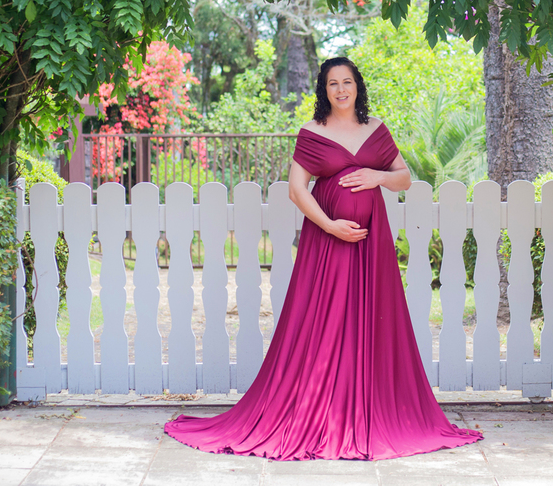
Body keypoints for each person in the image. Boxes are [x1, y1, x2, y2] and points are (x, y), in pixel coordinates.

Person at [164, 57, 483, 460]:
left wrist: (378, 177)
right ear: (324, 89)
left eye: (347, 82)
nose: (341, 89)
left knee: (370, 316)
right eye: (333, 83)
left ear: (357, 86)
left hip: (371, 244)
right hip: (327, 240)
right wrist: (331, 226)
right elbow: (297, 190)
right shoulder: (312, 132)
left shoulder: (376, 129)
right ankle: (321, 406)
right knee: (323, 319)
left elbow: (403, 177)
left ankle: (367, 406)